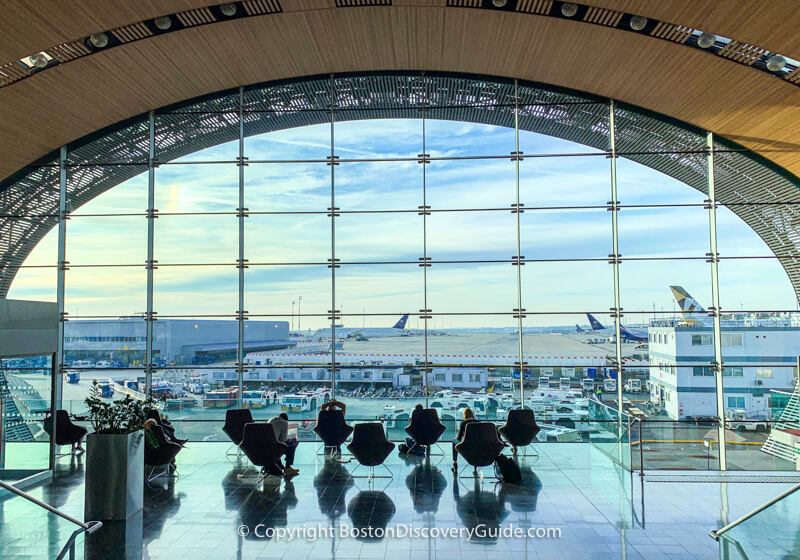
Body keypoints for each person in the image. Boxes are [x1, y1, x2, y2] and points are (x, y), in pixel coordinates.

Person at [268, 412, 299, 476]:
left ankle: (279, 463)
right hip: (275, 447)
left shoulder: (270, 420)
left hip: (265, 447)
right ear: (286, 419)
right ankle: (288, 467)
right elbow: (283, 440)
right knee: (293, 444)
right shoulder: (284, 423)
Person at [451, 407, 478, 472]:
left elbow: (459, 438)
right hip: (477, 445)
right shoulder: (478, 422)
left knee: (454, 442)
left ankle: (455, 462)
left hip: (466, 445)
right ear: (472, 414)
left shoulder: (463, 423)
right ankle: (475, 467)